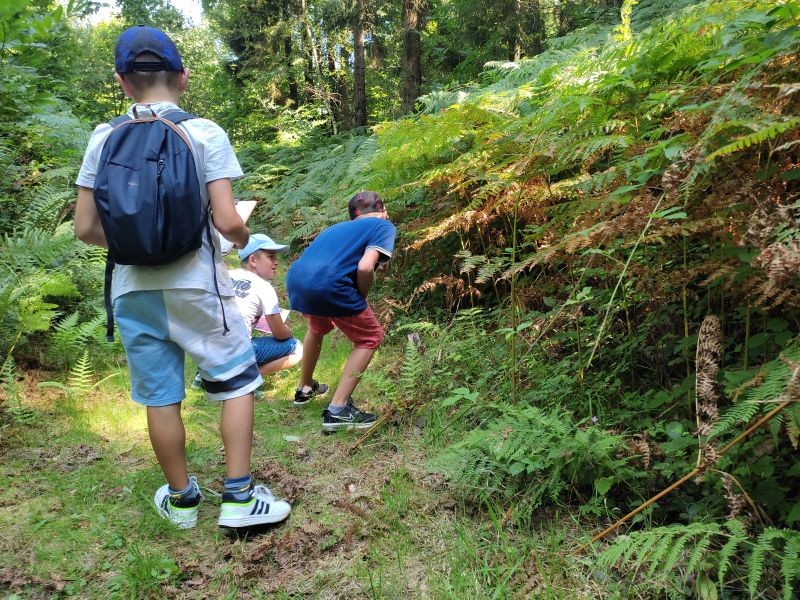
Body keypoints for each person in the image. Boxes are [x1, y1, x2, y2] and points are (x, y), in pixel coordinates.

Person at [73, 25, 290, 529]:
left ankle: (182, 500)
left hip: (132, 287)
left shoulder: (103, 137)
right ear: (184, 78)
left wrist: (138, 243)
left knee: (160, 395)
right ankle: (238, 498)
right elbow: (229, 221)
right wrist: (238, 239)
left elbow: (86, 228)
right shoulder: (204, 132)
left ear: (122, 82)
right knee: (235, 382)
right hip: (197, 281)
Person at [286, 191, 396, 432]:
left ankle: (304, 388)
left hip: (298, 279)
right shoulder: (382, 226)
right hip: (329, 284)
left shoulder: (335, 229)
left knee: (318, 327)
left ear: (353, 215)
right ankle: (338, 409)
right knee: (370, 337)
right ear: (383, 210)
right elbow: (366, 267)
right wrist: (362, 297)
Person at [229, 234, 317, 383]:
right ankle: (250, 378)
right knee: (298, 348)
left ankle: (206, 374)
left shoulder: (227, 275)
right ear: (253, 260)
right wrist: (289, 331)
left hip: (208, 347)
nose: (276, 263)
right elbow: (280, 334)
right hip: (236, 351)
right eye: (271, 257)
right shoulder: (264, 287)